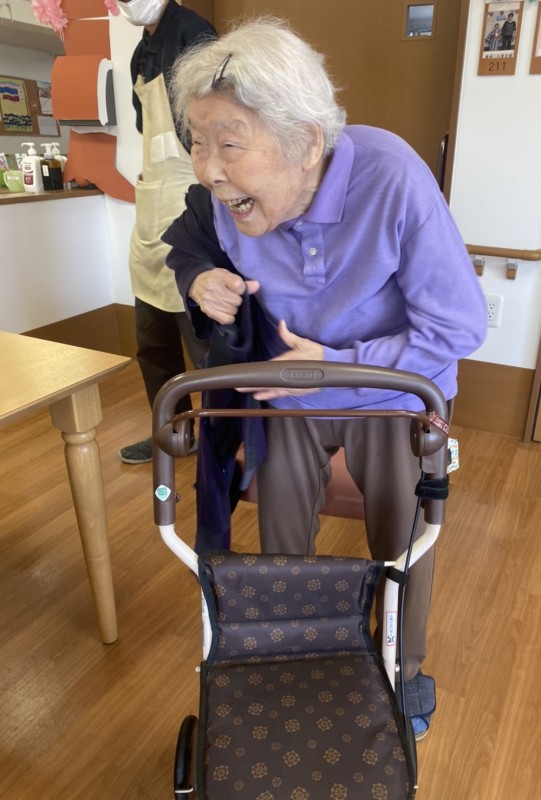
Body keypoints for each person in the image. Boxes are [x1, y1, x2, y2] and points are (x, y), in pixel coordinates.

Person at [163, 17, 487, 740]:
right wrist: (199, 276)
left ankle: (402, 666)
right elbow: (188, 238)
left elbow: (460, 327)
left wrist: (335, 373)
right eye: (197, 142)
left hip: (396, 391)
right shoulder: (227, 196)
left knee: (404, 536)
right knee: (281, 537)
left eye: (229, 144)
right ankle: (295, 652)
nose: (209, 169)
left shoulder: (392, 177)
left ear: (307, 144)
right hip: (290, 390)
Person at [116, 0, 217, 464]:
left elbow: (213, 122)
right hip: (150, 212)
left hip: (190, 208)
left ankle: (223, 439)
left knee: (206, 349)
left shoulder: (194, 33)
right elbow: (147, 127)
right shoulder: (141, 52)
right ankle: (175, 431)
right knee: (152, 345)